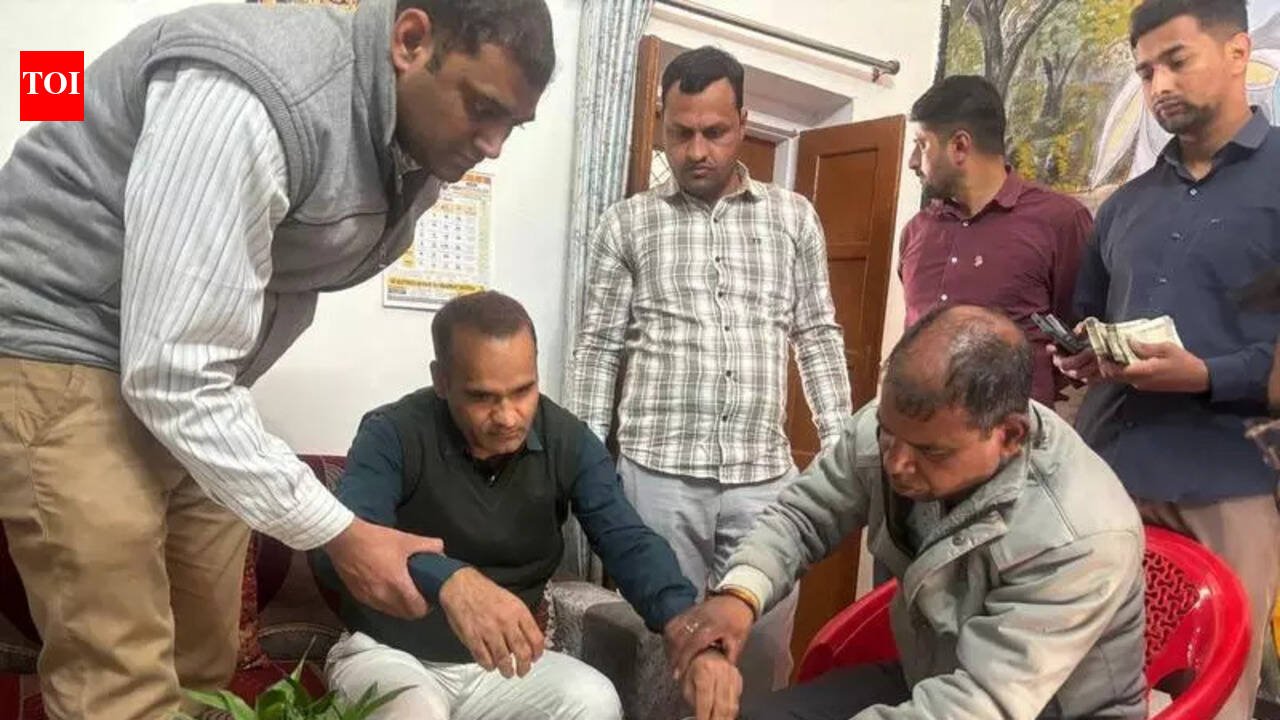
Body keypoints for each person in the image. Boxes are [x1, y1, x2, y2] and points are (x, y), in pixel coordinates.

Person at [0, 1, 554, 717]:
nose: (494, 145)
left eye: (513, 123)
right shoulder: (255, 96)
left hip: (197, 382)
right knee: (121, 687)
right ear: (411, 41)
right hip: (69, 351)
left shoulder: (411, 147)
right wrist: (340, 533)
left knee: (204, 669)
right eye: (482, 108)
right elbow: (170, 369)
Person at [668, 305, 1148, 720]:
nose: (896, 463)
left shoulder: (1083, 535)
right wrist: (740, 595)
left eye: (931, 452)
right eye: (887, 433)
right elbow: (803, 517)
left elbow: (979, 703)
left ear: (1010, 436)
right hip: (934, 674)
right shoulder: (902, 426)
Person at [567, 45, 852, 700]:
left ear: (743, 122)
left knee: (760, 664)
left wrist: (841, 449)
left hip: (765, 486)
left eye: (715, 132)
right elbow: (599, 348)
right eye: (681, 133)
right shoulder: (628, 223)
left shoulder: (793, 218)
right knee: (658, 659)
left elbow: (816, 334)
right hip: (657, 481)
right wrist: (585, 467)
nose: (697, 151)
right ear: (662, 125)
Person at [312, 291, 742, 720]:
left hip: (502, 668)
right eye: (482, 397)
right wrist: (450, 580)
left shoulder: (568, 441)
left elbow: (627, 542)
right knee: (415, 713)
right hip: (388, 653)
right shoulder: (391, 433)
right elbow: (351, 541)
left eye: (523, 391)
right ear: (441, 380)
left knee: (593, 701)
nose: (508, 416)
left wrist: (692, 634)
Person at [1051, 1, 1280, 716]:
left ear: (1238, 52)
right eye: (1146, 71)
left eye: (1176, 61)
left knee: (1213, 694)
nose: (1159, 86)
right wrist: (1086, 356)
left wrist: (1207, 375)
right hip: (1104, 478)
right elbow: (1092, 317)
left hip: (1228, 481)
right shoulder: (1125, 206)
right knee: (1076, 682)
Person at [899, 74, 1092, 408]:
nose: (912, 162)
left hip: (1009, 432)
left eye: (922, 144)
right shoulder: (917, 231)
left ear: (960, 146)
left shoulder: (1060, 221)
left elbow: (1079, 340)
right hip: (917, 427)